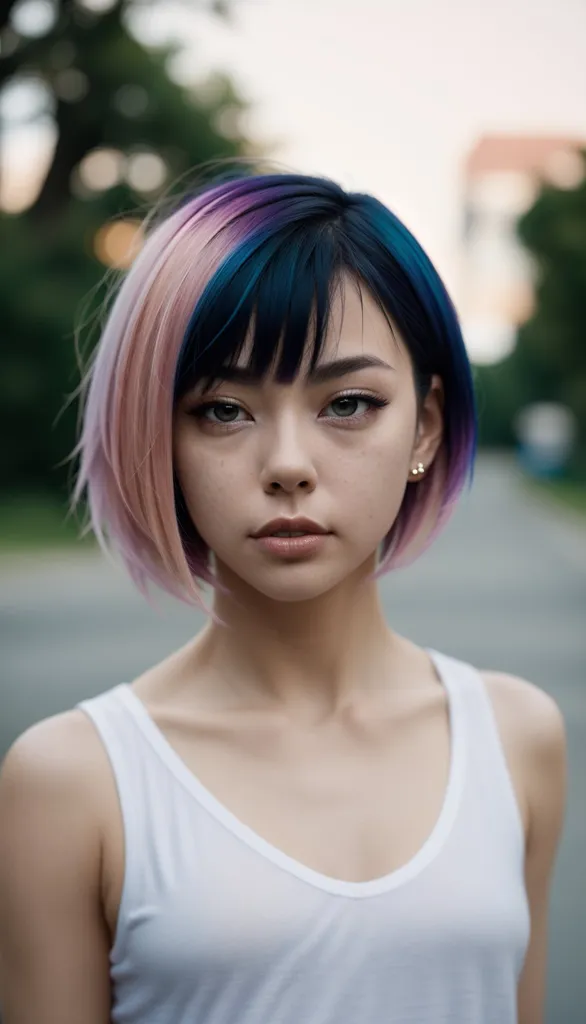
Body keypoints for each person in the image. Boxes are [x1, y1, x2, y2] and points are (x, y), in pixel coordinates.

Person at [0, 171, 567, 1024]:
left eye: (348, 403)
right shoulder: (72, 782)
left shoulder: (518, 737)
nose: (288, 464)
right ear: (159, 432)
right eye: (223, 410)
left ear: (425, 426)